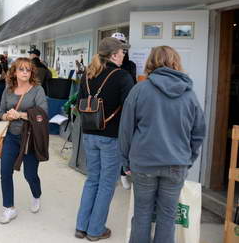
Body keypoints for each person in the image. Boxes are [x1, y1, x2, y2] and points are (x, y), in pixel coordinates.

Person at [119, 46, 205, 243]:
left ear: (151, 62)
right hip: (176, 164)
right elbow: (199, 132)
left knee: (142, 215)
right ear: (176, 62)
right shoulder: (189, 94)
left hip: (143, 164)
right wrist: (188, 159)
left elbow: (126, 130)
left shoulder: (139, 90)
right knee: (167, 217)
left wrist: (126, 162)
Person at [75, 37, 134, 241]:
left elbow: (78, 103)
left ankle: (81, 226)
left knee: (93, 179)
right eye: (122, 52)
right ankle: (95, 230)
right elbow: (130, 110)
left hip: (89, 132)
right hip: (111, 135)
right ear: (114, 55)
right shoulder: (122, 76)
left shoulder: (87, 75)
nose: (124, 55)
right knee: (107, 183)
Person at [0, 57, 48, 224]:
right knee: (5, 172)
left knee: (30, 174)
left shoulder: (37, 90)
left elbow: (42, 114)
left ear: (32, 72)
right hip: (12, 137)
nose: (25, 72)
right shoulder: (8, 90)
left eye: (28, 69)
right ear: (14, 72)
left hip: (30, 138)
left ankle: (36, 194)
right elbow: (1, 112)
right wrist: (7, 115)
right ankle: (8, 208)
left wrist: (20, 114)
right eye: (21, 69)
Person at [111, 32, 137, 190]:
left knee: (125, 141)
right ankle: (116, 172)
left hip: (125, 106)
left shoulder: (130, 65)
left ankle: (123, 171)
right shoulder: (104, 63)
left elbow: (132, 85)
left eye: (122, 44)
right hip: (109, 109)